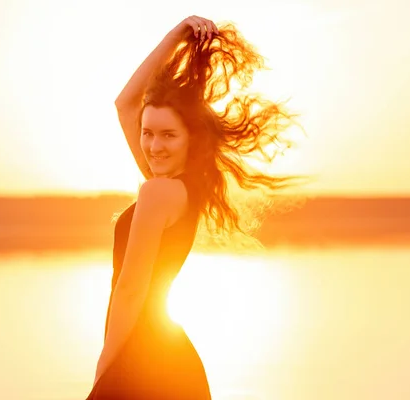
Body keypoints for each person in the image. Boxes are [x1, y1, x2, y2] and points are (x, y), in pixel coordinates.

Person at [86, 15, 306, 400]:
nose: (154, 146)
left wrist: (104, 368)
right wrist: (177, 35)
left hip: (143, 362)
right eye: (147, 133)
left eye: (169, 134)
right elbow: (125, 105)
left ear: (191, 139)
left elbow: (131, 289)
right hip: (165, 358)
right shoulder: (182, 188)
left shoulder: (159, 193)